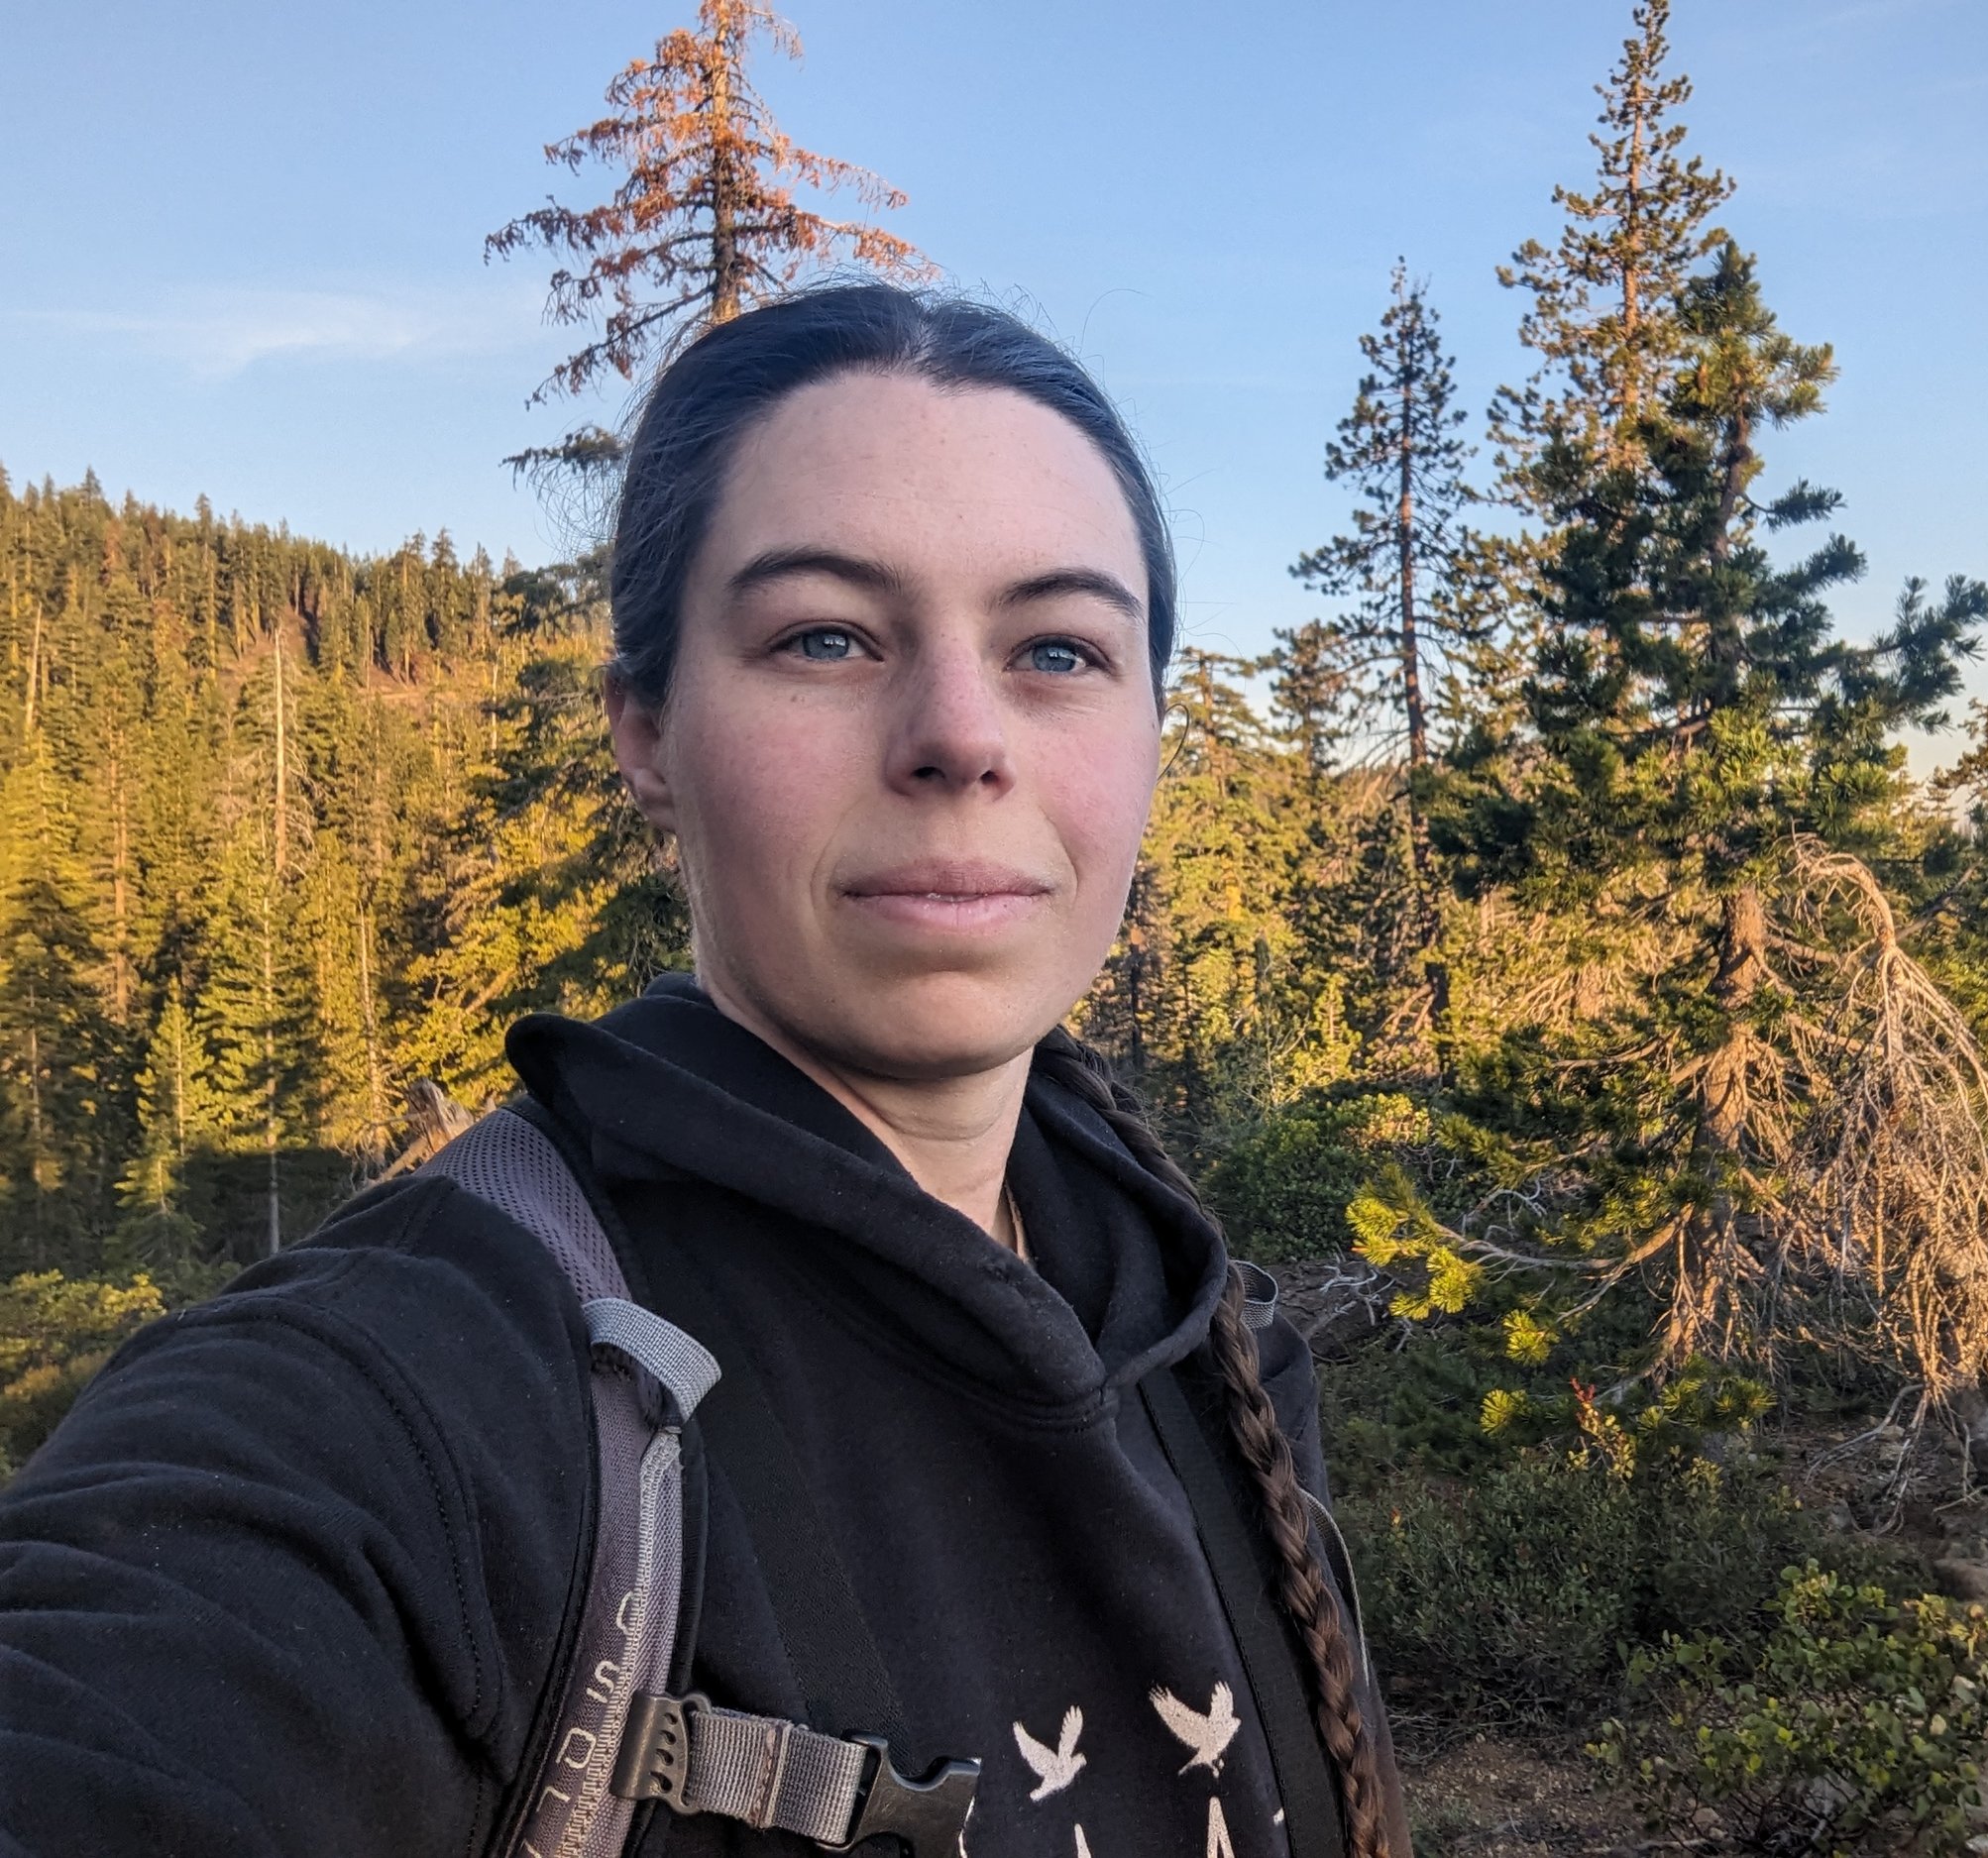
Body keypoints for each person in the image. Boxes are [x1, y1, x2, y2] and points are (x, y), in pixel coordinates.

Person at [0, 285, 1406, 1858]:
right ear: (647, 735)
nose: (959, 732)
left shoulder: (1202, 1331)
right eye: (825, 636)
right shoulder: (438, 1396)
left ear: (1156, 730)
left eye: (1059, 649)